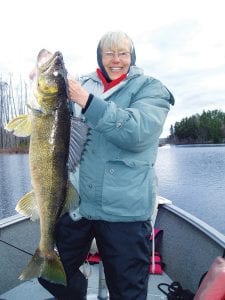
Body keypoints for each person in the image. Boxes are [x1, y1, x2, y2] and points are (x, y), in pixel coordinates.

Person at [38, 30, 175, 300]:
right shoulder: (82, 83)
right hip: (78, 206)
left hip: (124, 211)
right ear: (100, 57)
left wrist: (87, 102)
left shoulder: (150, 88)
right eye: (109, 53)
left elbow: (137, 133)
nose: (116, 60)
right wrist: (42, 83)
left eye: (123, 53)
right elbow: (53, 118)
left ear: (131, 57)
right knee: (51, 275)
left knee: (127, 292)